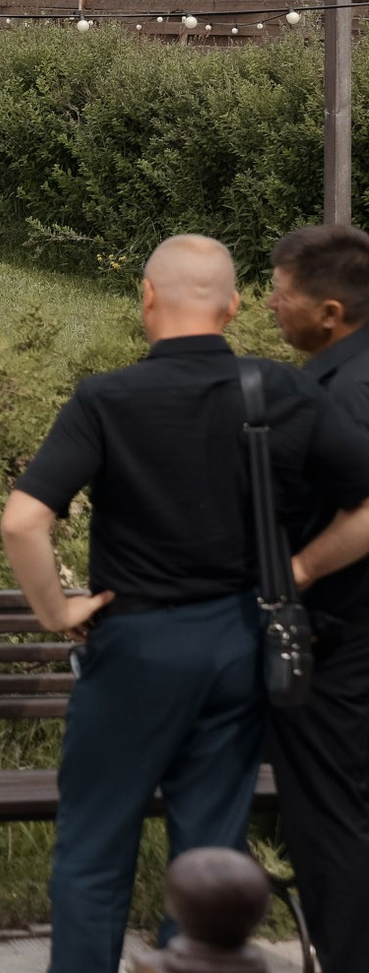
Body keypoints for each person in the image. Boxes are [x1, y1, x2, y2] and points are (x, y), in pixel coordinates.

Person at [0, 234, 369, 973]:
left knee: (96, 846)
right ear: (233, 307)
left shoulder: (104, 398)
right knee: (209, 854)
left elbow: (23, 519)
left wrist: (54, 609)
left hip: (135, 650)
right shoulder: (280, 390)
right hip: (238, 646)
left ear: (146, 297)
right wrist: (298, 567)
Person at [263, 224, 369, 971]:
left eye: (282, 292)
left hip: (343, 647)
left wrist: (295, 571)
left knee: (333, 826)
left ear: (329, 312)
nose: (271, 305)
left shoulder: (345, 392)